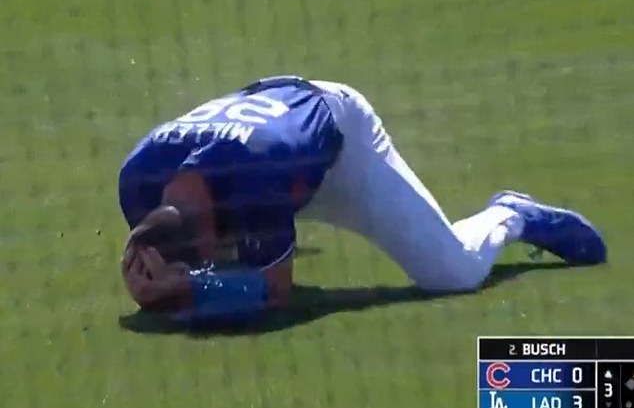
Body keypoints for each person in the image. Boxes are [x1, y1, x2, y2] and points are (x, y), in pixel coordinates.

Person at [118, 76, 607, 323]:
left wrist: (193, 293)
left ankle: (511, 214)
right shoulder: (138, 178)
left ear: (204, 227)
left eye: (208, 248)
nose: (211, 259)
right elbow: (172, 238)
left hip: (343, 151)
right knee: (232, 256)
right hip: (273, 144)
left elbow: (277, 290)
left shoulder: (258, 173)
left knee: (453, 273)